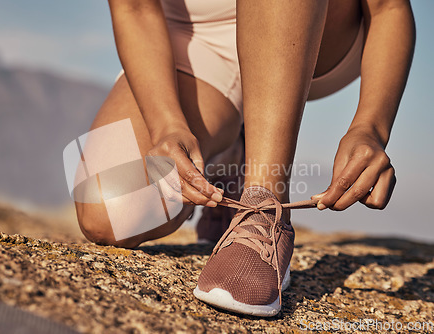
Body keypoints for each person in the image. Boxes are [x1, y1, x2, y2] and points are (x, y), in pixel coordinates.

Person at [74, 0, 415, 316]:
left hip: (318, 25)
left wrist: (371, 127)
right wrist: (167, 126)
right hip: (194, 36)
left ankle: (263, 206)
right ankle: (231, 152)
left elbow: (388, 7)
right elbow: (134, 8)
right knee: (108, 211)